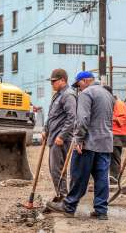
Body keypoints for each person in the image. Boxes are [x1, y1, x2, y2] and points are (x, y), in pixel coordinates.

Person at [46, 71, 114, 220]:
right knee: (101, 177)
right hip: (105, 143)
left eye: (79, 85)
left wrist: (79, 139)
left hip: (88, 143)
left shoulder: (87, 93)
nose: (79, 88)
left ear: (85, 81)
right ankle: (101, 210)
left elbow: (82, 119)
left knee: (79, 175)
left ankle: (69, 206)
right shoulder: (108, 94)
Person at [43, 69, 76, 201]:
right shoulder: (57, 95)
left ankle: (63, 196)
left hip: (61, 139)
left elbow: (72, 117)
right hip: (54, 137)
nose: (52, 84)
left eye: (54, 81)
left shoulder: (68, 95)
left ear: (63, 80)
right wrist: (45, 129)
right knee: (54, 169)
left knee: (57, 169)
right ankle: (61, 194)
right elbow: (52, 115)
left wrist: (62, 136)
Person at [104, 85, 126, 184]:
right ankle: (112, 176)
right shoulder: (112, 103)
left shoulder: (118, 104)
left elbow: (122, 120)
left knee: (115, 157)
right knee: (112, 156)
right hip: (113, 134)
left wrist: (108, 117)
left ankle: (114, 178)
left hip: (118, 134)